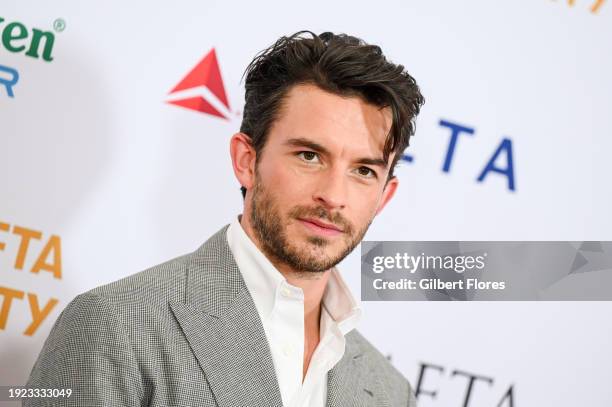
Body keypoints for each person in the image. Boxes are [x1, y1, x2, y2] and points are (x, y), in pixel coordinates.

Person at [25, 30, 424, 406]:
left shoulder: (389, 390)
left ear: (384, 197)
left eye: (363, 171)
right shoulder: (114, 326)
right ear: (246, 161)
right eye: (309, 156)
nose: (334, 196)